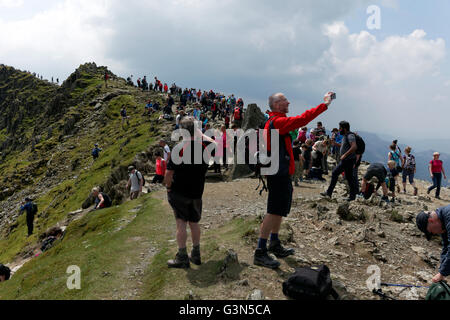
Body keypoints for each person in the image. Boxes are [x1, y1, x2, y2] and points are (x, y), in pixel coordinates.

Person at [254, 92, 334, 269]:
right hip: (278, 172)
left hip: (279, 171)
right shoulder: (278, 123)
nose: (288, 102)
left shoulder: (273, 122)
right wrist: (325, 105)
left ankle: (274, 243)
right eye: (284, 100)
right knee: (274, 210)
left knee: (279, 209)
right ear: (276, 104)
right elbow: (302, 119)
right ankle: (260, 251)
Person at [164, 117, 211, 269]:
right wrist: (199, 134)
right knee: (194, 223)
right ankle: (196, 254)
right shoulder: (205, 146)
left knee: (181, 223)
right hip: (197, 192)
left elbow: (169, 174)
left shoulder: (179, 148)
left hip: (179, 192)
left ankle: (182, 257)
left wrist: (168, 187)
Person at [321, 121, 358, 201]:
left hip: (347, 160)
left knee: (335, 173)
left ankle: (329, 193)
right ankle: (352, 196)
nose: (339, 129)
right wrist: (334, 143)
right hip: (348, 160)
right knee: (349, 177)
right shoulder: (345, 135)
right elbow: (343, 145)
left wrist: (345, 155)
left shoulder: (350, 135)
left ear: (344, 128)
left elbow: (354, 146)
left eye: (340, 128)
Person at [416, 205, 450, 283]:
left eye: (431, 231)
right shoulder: (442, 221)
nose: (434, 233)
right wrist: (441, 271)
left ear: (431, 221)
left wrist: (442, 273)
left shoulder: (448, 216)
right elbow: (446, 246)